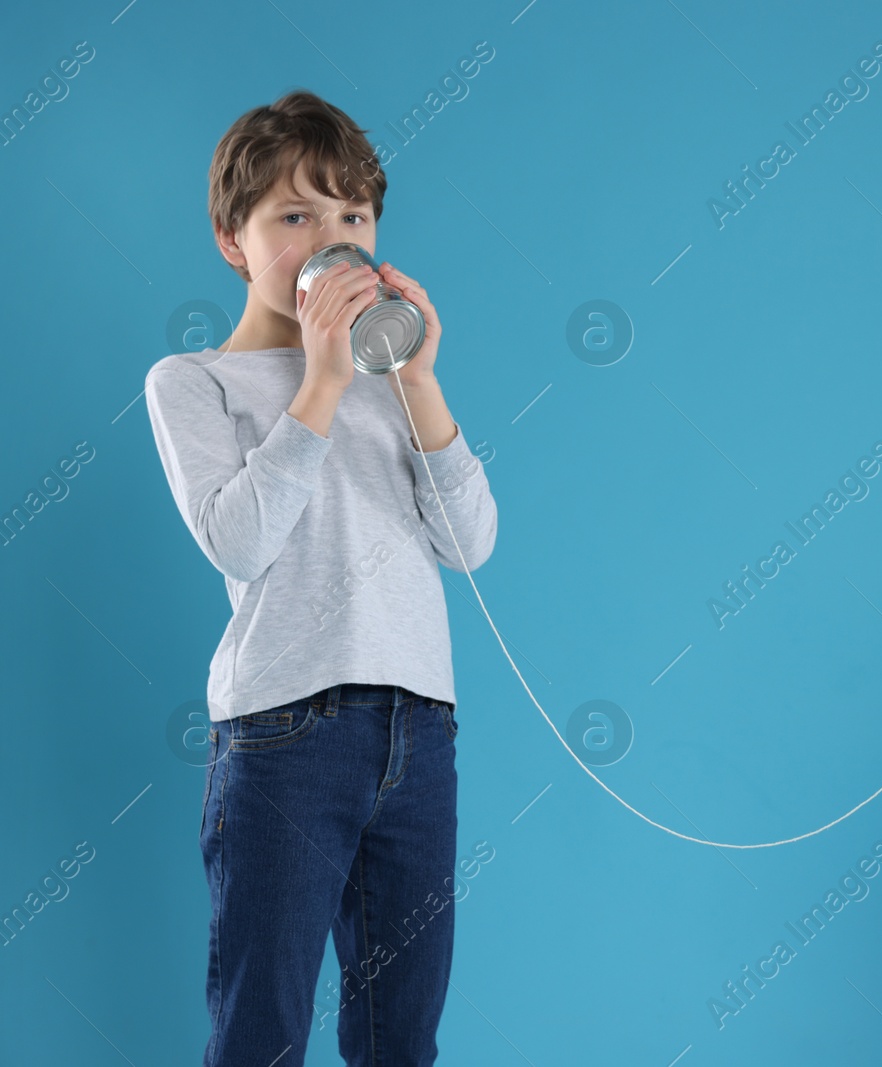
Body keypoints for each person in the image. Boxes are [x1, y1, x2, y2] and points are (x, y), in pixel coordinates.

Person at [143, 89, 498, 1066]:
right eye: (294, 216)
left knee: (402, 1035)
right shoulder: (195, 381)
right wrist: (323, 379)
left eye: (351, 216)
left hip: (420, 731)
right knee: (263, 1026)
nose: (329, 238)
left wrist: (416, 380)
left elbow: (469, 542)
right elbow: (241, 542)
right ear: (232, 239)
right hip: (286, 735)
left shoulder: (393, 391)